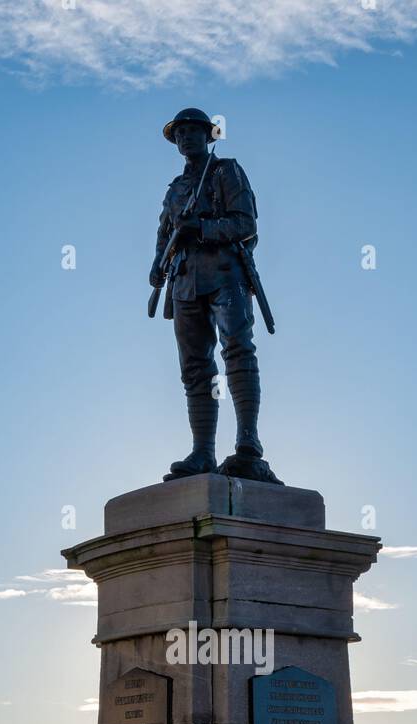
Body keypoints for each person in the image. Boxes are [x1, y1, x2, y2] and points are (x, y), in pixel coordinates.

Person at [150, 108, 281, 484]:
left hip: (226, 272)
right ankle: (203, 451)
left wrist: (203, 227)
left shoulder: (226, 171)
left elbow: (246, 225)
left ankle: (247, 441)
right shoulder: (175, 189)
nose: (186, 137)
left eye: (193, 131)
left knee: (238, 351)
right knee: (195, 368)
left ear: (209, 136)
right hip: (185, 280)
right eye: (180, 133)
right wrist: (157, 265)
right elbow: (164, 236)